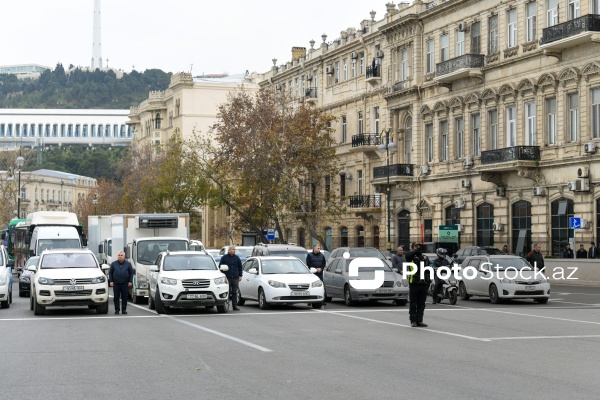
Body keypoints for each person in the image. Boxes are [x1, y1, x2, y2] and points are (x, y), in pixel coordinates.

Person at [405, 242, 431, 327]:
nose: (418, 248)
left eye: (419, 246)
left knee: (421, 303)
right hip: (414, 282)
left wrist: (429, 280)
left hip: (424, 283)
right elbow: (407, 255)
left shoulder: (425, 257)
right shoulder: (411, 256)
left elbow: (428, 268)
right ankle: (413, 320)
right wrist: (416, 251)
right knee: (413, 302)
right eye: (416, 246)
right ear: (412, 247)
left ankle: (420, 320)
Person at [219, 246, 243, 311]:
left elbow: (240, 267)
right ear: (229, 250)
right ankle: (227, 305)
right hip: (227, 277)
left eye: (235, 249)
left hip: (235, 277)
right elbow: (220, 267)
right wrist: (223, 276)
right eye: (233, 249)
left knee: (235, 292)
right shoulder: (224, 258)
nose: (234, 250)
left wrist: (240, 275)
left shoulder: (237, 258)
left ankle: (235, 305)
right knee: (228, 292)